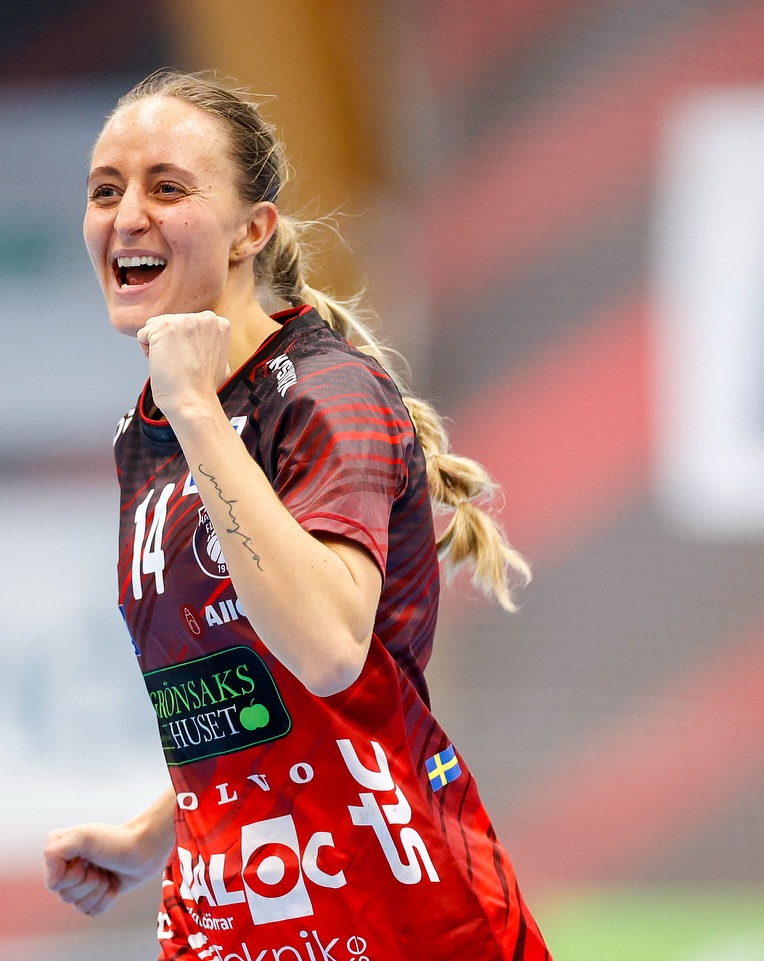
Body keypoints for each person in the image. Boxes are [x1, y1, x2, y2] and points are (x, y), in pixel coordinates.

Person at [44, 69, 550, 961]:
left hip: (400, 916)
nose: (127, 217)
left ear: (253, 230)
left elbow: (326, 649)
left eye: (168, 188)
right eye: (106, 191)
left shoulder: (324, 393)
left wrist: (196, 409)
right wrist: (153, 833)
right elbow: (252, 692)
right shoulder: (149, 430)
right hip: (234, 918)